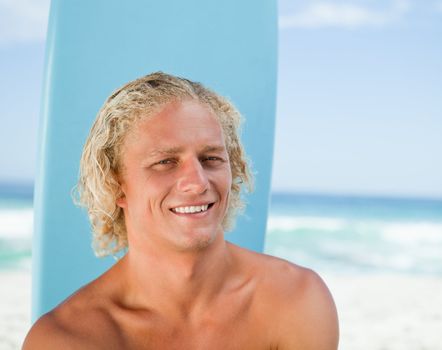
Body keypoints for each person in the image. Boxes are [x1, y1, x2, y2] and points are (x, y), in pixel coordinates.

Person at [23, 72, 339, 349]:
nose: (197, 182)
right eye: (165, 162)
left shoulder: (295, 301)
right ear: (116, 185)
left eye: (211, 158)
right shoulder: (66, 339)